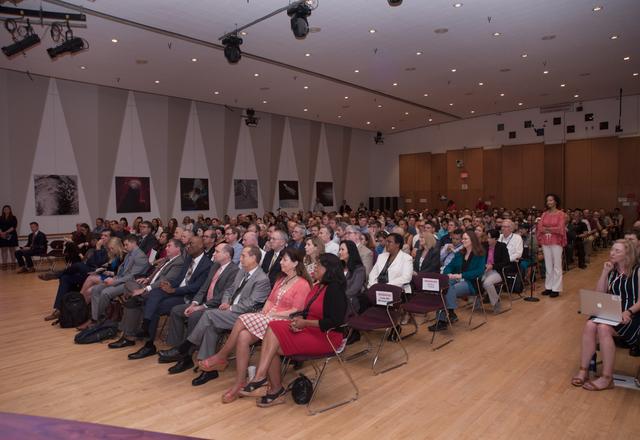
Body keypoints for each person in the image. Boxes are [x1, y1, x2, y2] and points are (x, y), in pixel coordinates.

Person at [197, 248, 312, 403]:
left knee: (242, 319)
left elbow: (296, 310)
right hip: (268, 318)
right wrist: (265, 313)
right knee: (243, 336)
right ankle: (239, 382)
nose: (280, 262)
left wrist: (272, 315)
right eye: (281, 259)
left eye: (284, 260)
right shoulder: (281, 279)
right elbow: (270, 301)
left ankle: (221, 356)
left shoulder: (302, 284)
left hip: (284, 322)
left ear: (295, 263)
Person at [239, 253, 347, 407]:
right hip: (309, 330)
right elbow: (307, 311)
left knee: (272, 344)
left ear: (328, 269)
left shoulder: (334, 289)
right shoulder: (318, 286)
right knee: (272, 327)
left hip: (326, 337)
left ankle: (263, 380)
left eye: (318, 265)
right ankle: (272, 387)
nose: (315, 267)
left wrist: (305, 323)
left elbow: (334, 322)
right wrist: (298, 320)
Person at [165, 245, 271, 386]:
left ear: (254, 258)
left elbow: (251, 304)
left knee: (209, 315)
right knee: (210, 327)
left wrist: (231, 307)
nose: (240, 258)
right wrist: (226, 302)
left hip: (244, 317)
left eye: (244, 255)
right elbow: (229, 290)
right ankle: (208, 370)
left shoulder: (262, 279)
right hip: (229, 312)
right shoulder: (242, 272)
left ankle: (186, 347)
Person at [571, 240, 640, 391]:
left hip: (632, 314)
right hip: (612, 311)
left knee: (603, 328)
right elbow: (599, 294)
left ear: (627, 255)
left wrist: (628, 311)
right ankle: (583, 370)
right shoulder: (613, 270)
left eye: (617, 251)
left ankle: (607, 378)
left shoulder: (637, 271)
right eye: (612, 250)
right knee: (590, 325)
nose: (612, 253)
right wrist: (604, 273)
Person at [429, 230, 486, 332]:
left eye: (465, 239)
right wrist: (449, 273)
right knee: (444, 288)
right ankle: (449, 313)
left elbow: (479, 271)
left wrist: (461, 275)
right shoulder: (460, 253)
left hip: (470, 282)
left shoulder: (480, 254)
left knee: (448, 290)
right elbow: (449, 266)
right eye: (462, 239)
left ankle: (444, 318)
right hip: (455, 280)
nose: (462, 241)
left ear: (472, 240)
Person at [88, 234, 149, 325]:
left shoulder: (140, 256)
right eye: (124, 245)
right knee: (95, 289)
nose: (124, 247)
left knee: (106, 293)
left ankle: (99, 319)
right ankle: (95, 317)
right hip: (121, 279)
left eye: (126, 244)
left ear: (134, 243)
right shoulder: (130, 253)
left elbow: (132, 276)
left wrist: (114, 281)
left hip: (130, 283)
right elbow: (123, 270)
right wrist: (115, 277)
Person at [536, 194, 567, 298]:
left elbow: (560, 228)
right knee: (548, 265)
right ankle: (548, 287)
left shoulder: (561, 214)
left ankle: (556, 288)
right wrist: (550, 229)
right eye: (547, 200)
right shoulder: (544, 214)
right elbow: (540, 227)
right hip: (546, 241)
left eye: (550, 200)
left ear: (555, 202)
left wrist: (548, 229)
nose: (548, 202)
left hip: (556, 241)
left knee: (557, 265)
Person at [481, 229, 510, 314]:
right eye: (487, 237)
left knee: (487, 283)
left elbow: (506, 262)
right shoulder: (485, 246)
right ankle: (478, 300)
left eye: (490, 238)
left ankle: (496, 303)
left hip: (497, 271)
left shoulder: (502, 247)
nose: (487, 240)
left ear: (495, 239)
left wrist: (492, 266)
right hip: (485, 270)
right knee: (476, 278)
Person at [339, 240, 366, 315]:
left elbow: (354, 290)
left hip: (350, 302)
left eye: (342, 249)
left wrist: (337, 296)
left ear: (350, 251)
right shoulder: (339, 267)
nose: (339, 252)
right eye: (339, 249)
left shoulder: (359, 269)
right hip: (338, 299)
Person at [0, 205, 18, 270]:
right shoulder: (0, 218)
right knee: (3, 250)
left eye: (7, 209)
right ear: (3, 210)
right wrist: (1, 233)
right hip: (2, 236)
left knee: (12, 250)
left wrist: (5, 232)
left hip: (12, 235)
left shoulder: (13, 217)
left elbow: (13, 227)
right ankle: (4, 264)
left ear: (10, 210)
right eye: (5, 209)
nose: (6, 210)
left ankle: (13, 263)